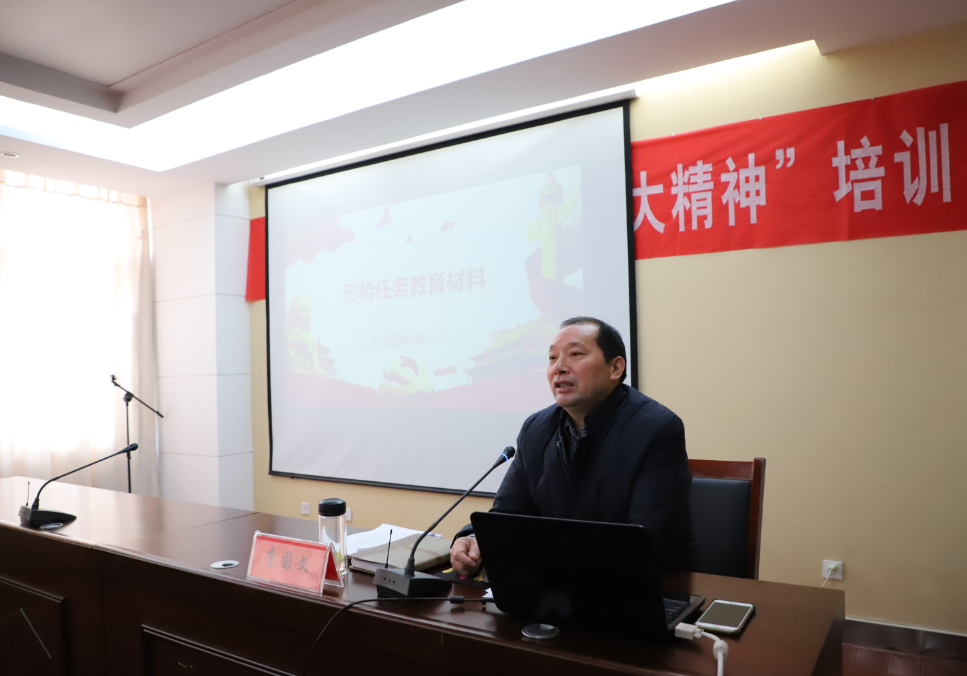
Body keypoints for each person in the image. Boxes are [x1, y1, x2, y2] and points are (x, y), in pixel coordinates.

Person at [450, 317, 694, 577]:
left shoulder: (656, 429)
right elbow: (506, 515)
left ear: (615, 368)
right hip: (554, 586)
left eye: (575, 354)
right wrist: (474, 538)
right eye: (552, 358)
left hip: (636, 586)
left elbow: (649, 543)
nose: (559, 367)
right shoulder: (535, 429)